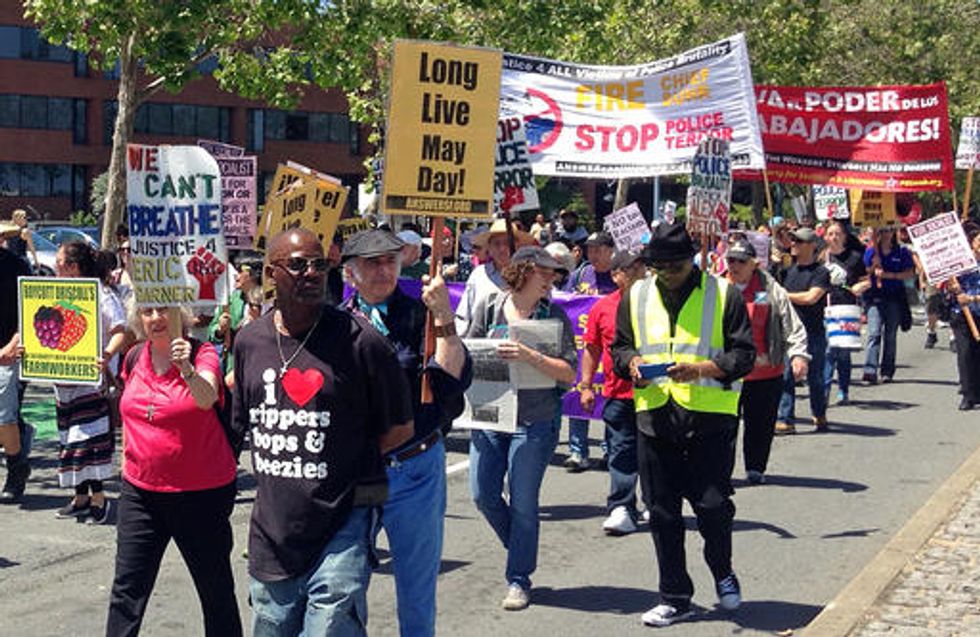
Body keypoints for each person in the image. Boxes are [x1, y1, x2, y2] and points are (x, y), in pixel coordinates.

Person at [233, 228, 414, 636]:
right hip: (274, 531)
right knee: (272, 626)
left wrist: (344, 458)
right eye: (297, 265)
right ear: (269, 273)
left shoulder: (361, 341)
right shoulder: (250, 342)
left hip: (344, 520)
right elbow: (242, 424)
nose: (310, 273)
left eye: (319, 264)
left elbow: (400, 427)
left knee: (330, 626)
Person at [610, 222, 755, 627]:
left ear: (691, 260)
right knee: (662, 512)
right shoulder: (636, 294)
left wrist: (703, 368)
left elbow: (744, 355)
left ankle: (722, 569)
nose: (667, 274)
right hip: (655, 415)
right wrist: (632, 364)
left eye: (674, 266)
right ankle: (675, 596)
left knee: (712, 506)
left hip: (710, 417)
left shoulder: (724, 294)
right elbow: (620, 347)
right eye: (659, 267)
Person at [342, 229, 471, 636]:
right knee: (344, 586)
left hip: (416, 468)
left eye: (390, 261)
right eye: (371, 263)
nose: (383, 270)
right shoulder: (332, 326)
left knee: (416, 590)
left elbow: (453, 380)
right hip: (357, 472)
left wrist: (445, 319)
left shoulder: (422, 315)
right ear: (350, 274)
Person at [106, 305, 242, 637]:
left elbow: (207, 398)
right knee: (127, 590)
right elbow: (130, 408)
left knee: (215, 593)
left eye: (163, 309)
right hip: (140, 492)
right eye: (147, 311)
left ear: (181, 313)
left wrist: (187, 370)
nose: (155, 318)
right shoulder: (135, 356)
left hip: (200, 494)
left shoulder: (203, 352)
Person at [465, 246, 578, 611]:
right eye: (545, 272)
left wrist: (531, 356)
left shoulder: (555, 316)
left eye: (554, 273)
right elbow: (467, 350)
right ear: (525, 271)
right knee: (482, 494)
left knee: (524, 502)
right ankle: (521, 547)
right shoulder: (489, 306)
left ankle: (518, 578)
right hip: (490, 416)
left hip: (534, 421)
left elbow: (569, 373)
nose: (551, 278)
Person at [52, 242, 127, 523]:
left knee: (88, 439)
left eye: (60, 263)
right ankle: (80, 496)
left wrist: (106, 356)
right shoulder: (55, 294)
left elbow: (120, 330)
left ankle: (98, 498)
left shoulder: (102, 295)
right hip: (63, 379)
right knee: (69, 439)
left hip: (89, 382)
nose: (56, 267)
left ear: (72, 267)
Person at [724, 239, 809, 485]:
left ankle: (755, 467)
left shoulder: (770, 289)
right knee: (723, 427)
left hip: (765, 372)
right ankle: (721, 471)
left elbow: (791, 324)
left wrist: (799, 354)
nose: (735, 266)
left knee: (760, 425)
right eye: (731, 260)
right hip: (728, 371)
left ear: (754, 264)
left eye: (741, 261)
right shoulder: (716, 286)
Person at [579, 249, 648, 534]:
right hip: (619, 394)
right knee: (621, 451)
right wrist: (585, 386)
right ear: (616, 274)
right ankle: (621, 505)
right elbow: (592, 349)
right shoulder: (602, 308)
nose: (637, 273)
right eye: (630, 269)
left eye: (640, 268)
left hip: (658, 394)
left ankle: (656, 503)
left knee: (655, 454)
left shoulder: (658, 305)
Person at [564, 231, 618, 472]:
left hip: (612, 347)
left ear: (610, 250)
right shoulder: (581, 273)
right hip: (584, 345)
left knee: (608, 395)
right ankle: (578, 451)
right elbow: (566, 299)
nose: (593, 254)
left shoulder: (618, 275)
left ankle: (608, 449)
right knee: (580, 392)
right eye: (590, 249)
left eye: (598, 249)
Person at [775, 227, 831, 434]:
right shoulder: (787, 272)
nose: (794, 245)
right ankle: (785, 418)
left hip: (812, 331)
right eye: (793, 241)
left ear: (812, 245)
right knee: (786, 375)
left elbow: (811, 298)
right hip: (789, 333)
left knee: (815, 376)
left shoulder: (820, 272)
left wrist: (783, 295)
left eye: (799, 241)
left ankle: (819, 413)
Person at [0, 222, 32, 503]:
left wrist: (14, 342)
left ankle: (15, 469)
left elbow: (32, 309)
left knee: (4, 415)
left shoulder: (18, 266)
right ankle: (20, 445)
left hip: (10, 351)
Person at [455, 218, 530, 332]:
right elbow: (464, 316)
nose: (502, 249)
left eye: (507, 243)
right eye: (496, 243)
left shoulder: (530, 276)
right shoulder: (478, 275)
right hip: (480, 343)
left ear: (517, 246)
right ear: (489, 248)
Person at [823, 221, 870, 405]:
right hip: (825, 309)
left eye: (837, 234)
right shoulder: (821, 257)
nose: (833, 237)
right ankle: (824, 390)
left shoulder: (855, 258)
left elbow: (867, 280)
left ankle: (843, 389)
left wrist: (861, 286)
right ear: (825, 237)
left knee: (842, 352)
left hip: (846, 308)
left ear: (844, 236)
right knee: (828, 351)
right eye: (830, 234)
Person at [861, 227, 915, 384]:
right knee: (874, 333)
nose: (886, 234)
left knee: (890, 335)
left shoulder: (902, 252)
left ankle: (887, 370)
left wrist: (890, 275)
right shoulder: (871, 251)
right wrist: (873, 267)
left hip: (894, 298)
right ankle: (870, 370)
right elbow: (864, 272)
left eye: (889, 230)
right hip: (874, 298)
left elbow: (910, 273)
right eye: (883, 230)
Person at [208, 259, 262, 373]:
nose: (236, 276)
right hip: (234, 364)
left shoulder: (268, 300)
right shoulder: (232, 299)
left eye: (240, 271)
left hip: (259, 360)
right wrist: (220, 330)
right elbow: (211, 332)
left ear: (253, 274)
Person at [949, 230, 980, 410]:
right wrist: (953, 289)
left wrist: (973, 299)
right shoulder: (960, 263)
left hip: (977, 309)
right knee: (965, 352)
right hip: (961, 314)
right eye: (978, 240)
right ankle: (968, 394)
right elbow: (948, 285)